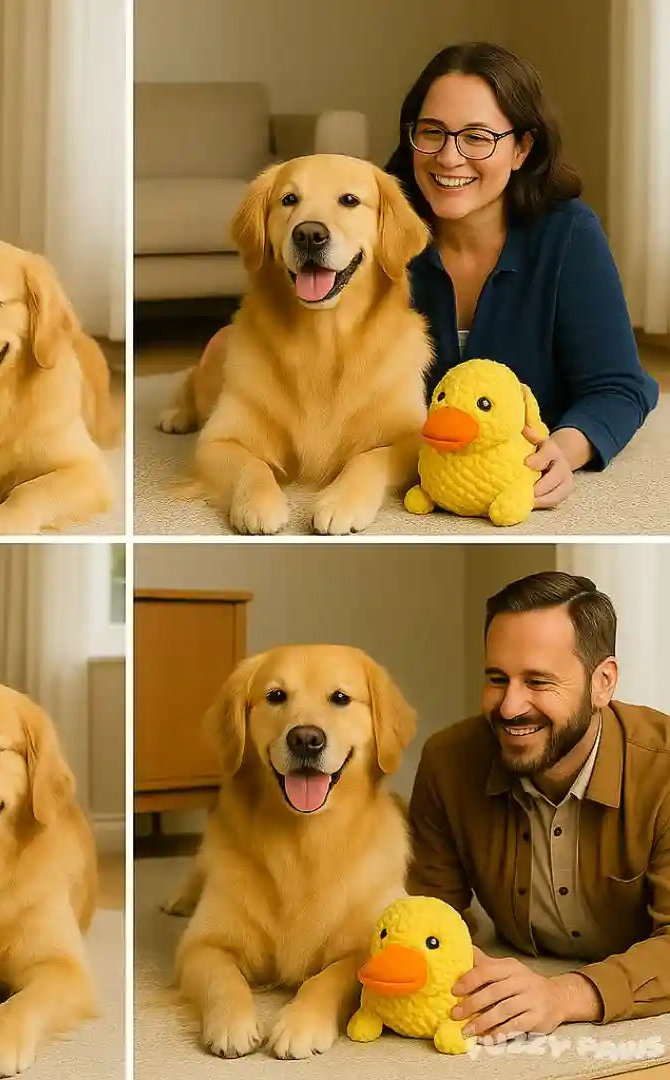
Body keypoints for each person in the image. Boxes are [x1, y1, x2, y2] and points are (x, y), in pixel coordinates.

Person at [194, 42, 657, 511]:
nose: (449, 157)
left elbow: (619, 387)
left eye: (477, 136)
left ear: (521, 148)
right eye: (432, 132)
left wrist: (566, 449)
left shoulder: (568, 235)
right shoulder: (377, 230)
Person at [407, 571, 670, 1039]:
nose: (509, 707)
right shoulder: (447, 762)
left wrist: (564, 996)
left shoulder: (664, 771)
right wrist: (466, 971)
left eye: (538, 681)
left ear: (602, 682)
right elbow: (427, 913)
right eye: (496, 678)